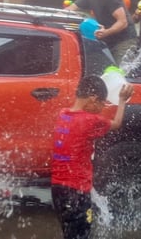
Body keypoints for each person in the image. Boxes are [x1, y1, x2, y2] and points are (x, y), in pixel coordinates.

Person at [51, 75, 133, 239]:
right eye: (102, 103)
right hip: (77, 192)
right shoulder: (90, 120)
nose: (102, 107)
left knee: (69, 231)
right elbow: (116, 124)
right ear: (93, 98)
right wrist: (122, 100)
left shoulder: (63, 115)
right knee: (81, 234)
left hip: (57, 189)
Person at [66, 0, 137, 66]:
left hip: (124, 40)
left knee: (121, 74)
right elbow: (72, 8)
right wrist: (53, 17)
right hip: (108, 38)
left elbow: (123, 22)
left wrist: (106, 32)